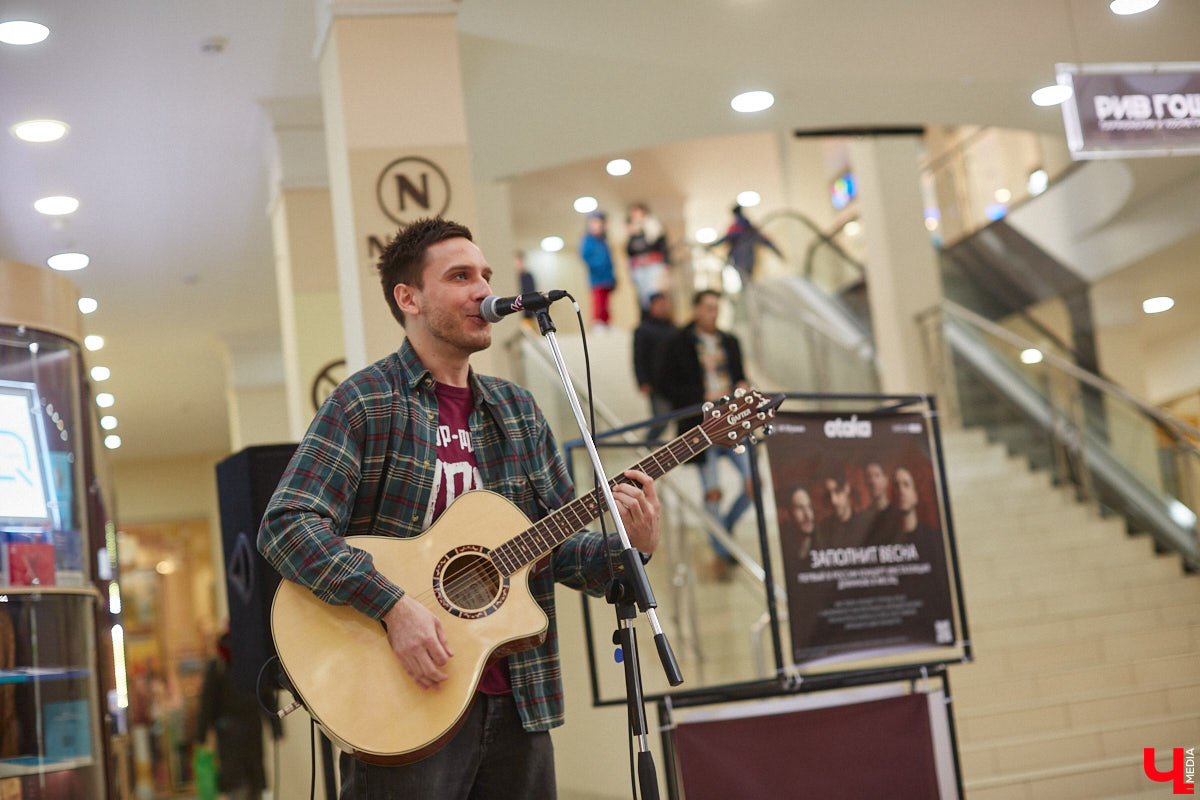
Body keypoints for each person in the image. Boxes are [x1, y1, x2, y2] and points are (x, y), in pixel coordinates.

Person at [257, 217, 660, 799]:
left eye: (486, 275)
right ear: (409, 297)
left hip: (519, 699)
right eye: (461, 276)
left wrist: (632, 546)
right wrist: (393, 605)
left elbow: (560, 551)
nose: (482, 290)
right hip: (402, 702)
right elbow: (287, 526)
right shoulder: (366, 402)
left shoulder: (517, 410)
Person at [657, 289, 751, 579]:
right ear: (696, 309)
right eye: (708, 308)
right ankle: (723, 550)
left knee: (752, 485)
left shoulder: (730, 341)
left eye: (716, 308)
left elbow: (740, 374)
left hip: (733, 422)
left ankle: (723, 530)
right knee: (712, 492)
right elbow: (665, 385)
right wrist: (701, 395)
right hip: (702, 426)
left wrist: (743, 385)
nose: (713, 313)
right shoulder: (677, 343)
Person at [193, 631, 279, 800]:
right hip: (245, 729)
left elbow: (207, 702)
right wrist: (277, 727)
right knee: (250, 784)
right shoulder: (244, 662)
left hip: (232, 731)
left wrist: (201, 735)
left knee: (240, 784)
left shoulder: (220, 664)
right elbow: (267, 696)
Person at [631, 292, 677, 442]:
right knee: (661, 420)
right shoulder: (643, 330)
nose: (663, 307)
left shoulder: (673, 328)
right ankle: (645, 446)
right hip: (656, 384)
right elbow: (638, 358)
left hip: (675, 382)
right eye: (659, 304)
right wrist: (642, 381)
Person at [708, 204, 783, 282]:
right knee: (747, 278)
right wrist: (778, 253)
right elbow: (766, 241)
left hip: (741, 258)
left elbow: (726, 238)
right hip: (747, 257)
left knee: (745, 279)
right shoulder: (750, 228)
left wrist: (711, 246)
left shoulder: (738, 227)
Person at [625, 203, 671, 310]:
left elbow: (663, 248)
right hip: (639, 269)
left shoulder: (655, 228)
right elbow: (630, 251)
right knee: (643, 298)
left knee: (655, 296)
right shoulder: (632, 233)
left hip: (654, 267)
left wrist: (666, 266)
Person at [578, 210, 616, 328]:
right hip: (597, 278)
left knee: (606, 301)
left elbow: (609, 260)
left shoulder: (604, 241)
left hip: (607, 278)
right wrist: (598, 267)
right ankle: (597, 322)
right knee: (598, 300)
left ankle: (606, 322)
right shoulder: (588, 240)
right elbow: (586, 256)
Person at [815, 468, 869, 549]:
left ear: (847, 488)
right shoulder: (823, 529)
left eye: (837, 491)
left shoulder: (864, 526)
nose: (833, 500)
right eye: (828, 494)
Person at [787, 486, 818, 564]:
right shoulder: (786, 549)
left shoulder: (824, 543)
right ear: (788, 513)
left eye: (809, 507)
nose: (807, 515)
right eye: (800, 508)